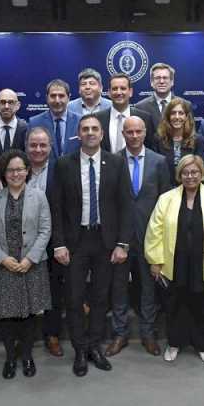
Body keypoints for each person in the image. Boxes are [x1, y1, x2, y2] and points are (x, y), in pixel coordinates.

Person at [50, 114, 134, 376]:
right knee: (74, 299)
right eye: (85, 129)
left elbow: (125, 205)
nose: (90, 133)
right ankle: (79, 350)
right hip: (75, 242)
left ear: (101, 133)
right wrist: (59, 244)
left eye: (94, 129)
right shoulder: (64, 164)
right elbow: (57, 207)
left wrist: (122, 244)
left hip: (106, 241)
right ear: (78, 134)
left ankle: (94, 346)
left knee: (100, 298)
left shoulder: (117, 163)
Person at [145, 155, 204, 364]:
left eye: (194, 172)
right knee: (174, 305)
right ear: (179, 175)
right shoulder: (166, 199)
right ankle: (174, 343)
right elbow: (154, 231)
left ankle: (203, 345)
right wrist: (155, 261)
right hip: (173, 264)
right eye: (185, 172)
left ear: (202, 174)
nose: (190, 176)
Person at [106, 116, 172, 357]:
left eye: (138, 132)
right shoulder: (113, 162)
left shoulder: (159, 162)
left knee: (148, 289)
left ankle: (148, 334)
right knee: (119, 288)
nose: (134, 136)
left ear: (145, 133)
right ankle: (120, 334)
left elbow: (167, 202)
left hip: (150, 238)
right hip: (120, 240)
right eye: (129, 132)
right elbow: (109, 202)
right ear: (123, 134)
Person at [0, 150, 53, 379]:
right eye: (11, 170)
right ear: (4, 173)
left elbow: (45, 230)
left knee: (31, 314)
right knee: (7, 315)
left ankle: (27, 356)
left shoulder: (39, 196)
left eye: (20, 169)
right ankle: (10, 358)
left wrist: (29, 259)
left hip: (30, 265)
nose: (16, 174)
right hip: (4, 265)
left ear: (27, 171)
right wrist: (2, 258)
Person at [25, 127, 65, 357]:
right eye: (33, 145)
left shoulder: (61, 168)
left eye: (43, 145)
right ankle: (25, 338)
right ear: (26, 146)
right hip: (23, 241)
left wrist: (61, 241)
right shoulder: (17, 168)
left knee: (53, 291)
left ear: (51, 146)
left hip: (53, 241)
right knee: (24, 291)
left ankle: (52, 334)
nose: (38, 149)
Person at [95, 73, 156, 153]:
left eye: (123, 88)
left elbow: (150, 149)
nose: (119, 92)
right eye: (115, 89)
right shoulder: (98, 119)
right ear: (109, 93)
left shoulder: (144, 118)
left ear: (130, 92)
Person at [151, 97, 204, 182]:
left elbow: (201, 169)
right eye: (173, 113)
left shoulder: (197, 140)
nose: (177, 117)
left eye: (181, 113)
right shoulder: (159, 139)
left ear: (186, 117)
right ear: (168, 116)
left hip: (190, 188)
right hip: (165, 190)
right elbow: (155, 169)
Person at [28, 79, 81, 161]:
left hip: (73, 172)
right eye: (53, 96)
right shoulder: (34, 123)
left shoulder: (80, 121)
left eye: (61, 96)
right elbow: (29, 154)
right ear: (46, 98)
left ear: (68, 98)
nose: (57, 100)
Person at [134, 62, 189, 127]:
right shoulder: (140, 107)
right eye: (157, 78)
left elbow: (189, 133)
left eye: (165, 78)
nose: (161, 81)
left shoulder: (186, 105)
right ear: (151, 82)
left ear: (172, 81)